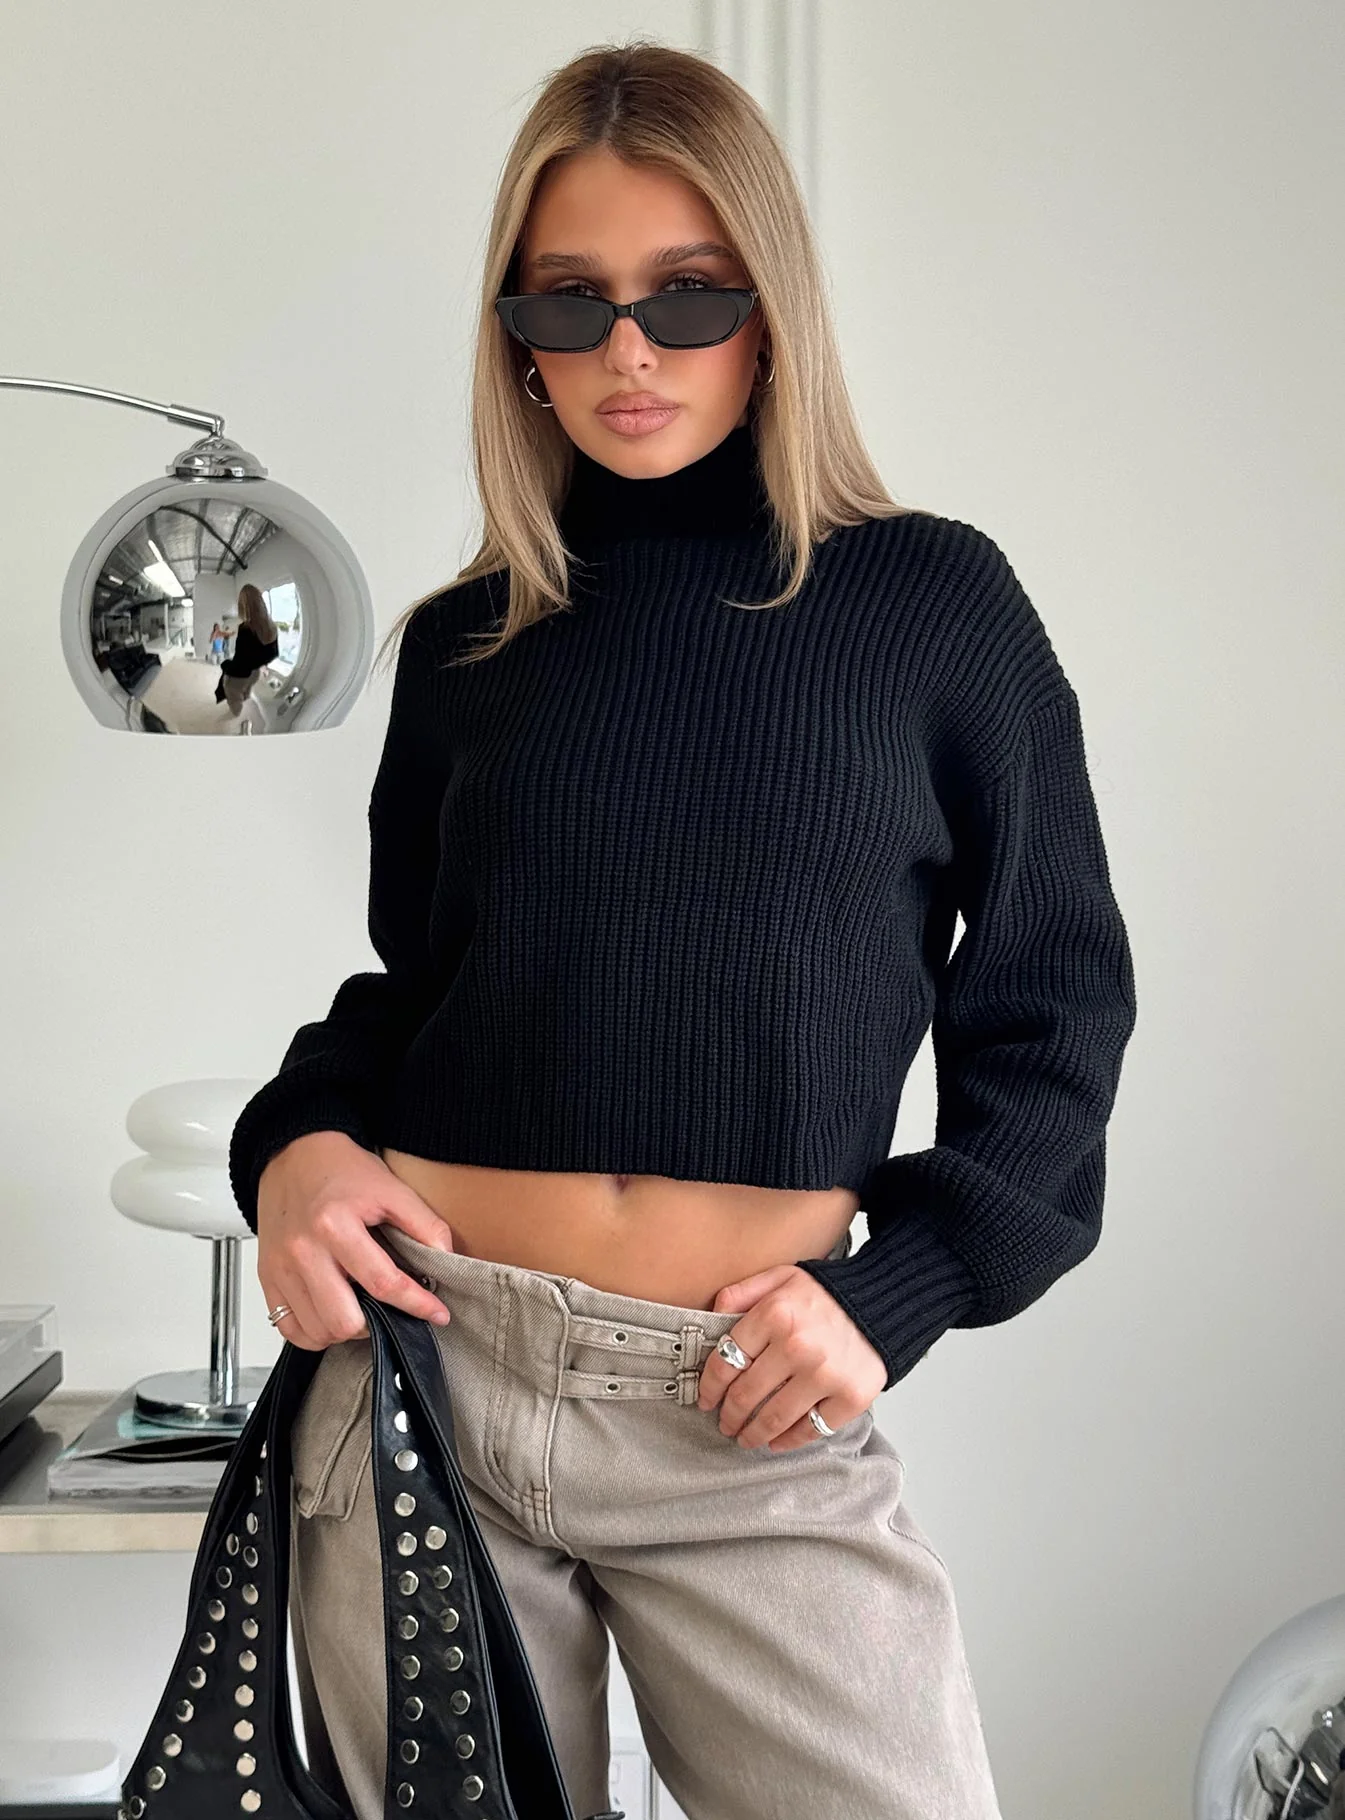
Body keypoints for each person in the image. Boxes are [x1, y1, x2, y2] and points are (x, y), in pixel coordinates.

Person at [227, 39, 1137, 1820]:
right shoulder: (471, 640)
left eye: (687, 295)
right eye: (570, 302)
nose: (628, 350)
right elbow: (421, 989)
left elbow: (1054, 1014)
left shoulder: (933, 605)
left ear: (769, 310)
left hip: (741, 1404)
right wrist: (297, 1148)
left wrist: (906, 1286)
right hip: (427, 1371)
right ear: (518, 336)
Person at [214, 582, 279, 712]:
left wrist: (226, 665)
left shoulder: (245, 629)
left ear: (243, 605)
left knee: (233, 695)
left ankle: (238, 714)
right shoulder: (272, 626)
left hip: (240, 676)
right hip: (255, 674)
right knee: (246, 691)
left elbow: (241, 661)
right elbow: (273, 653)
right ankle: (245, 702)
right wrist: (258, 664)